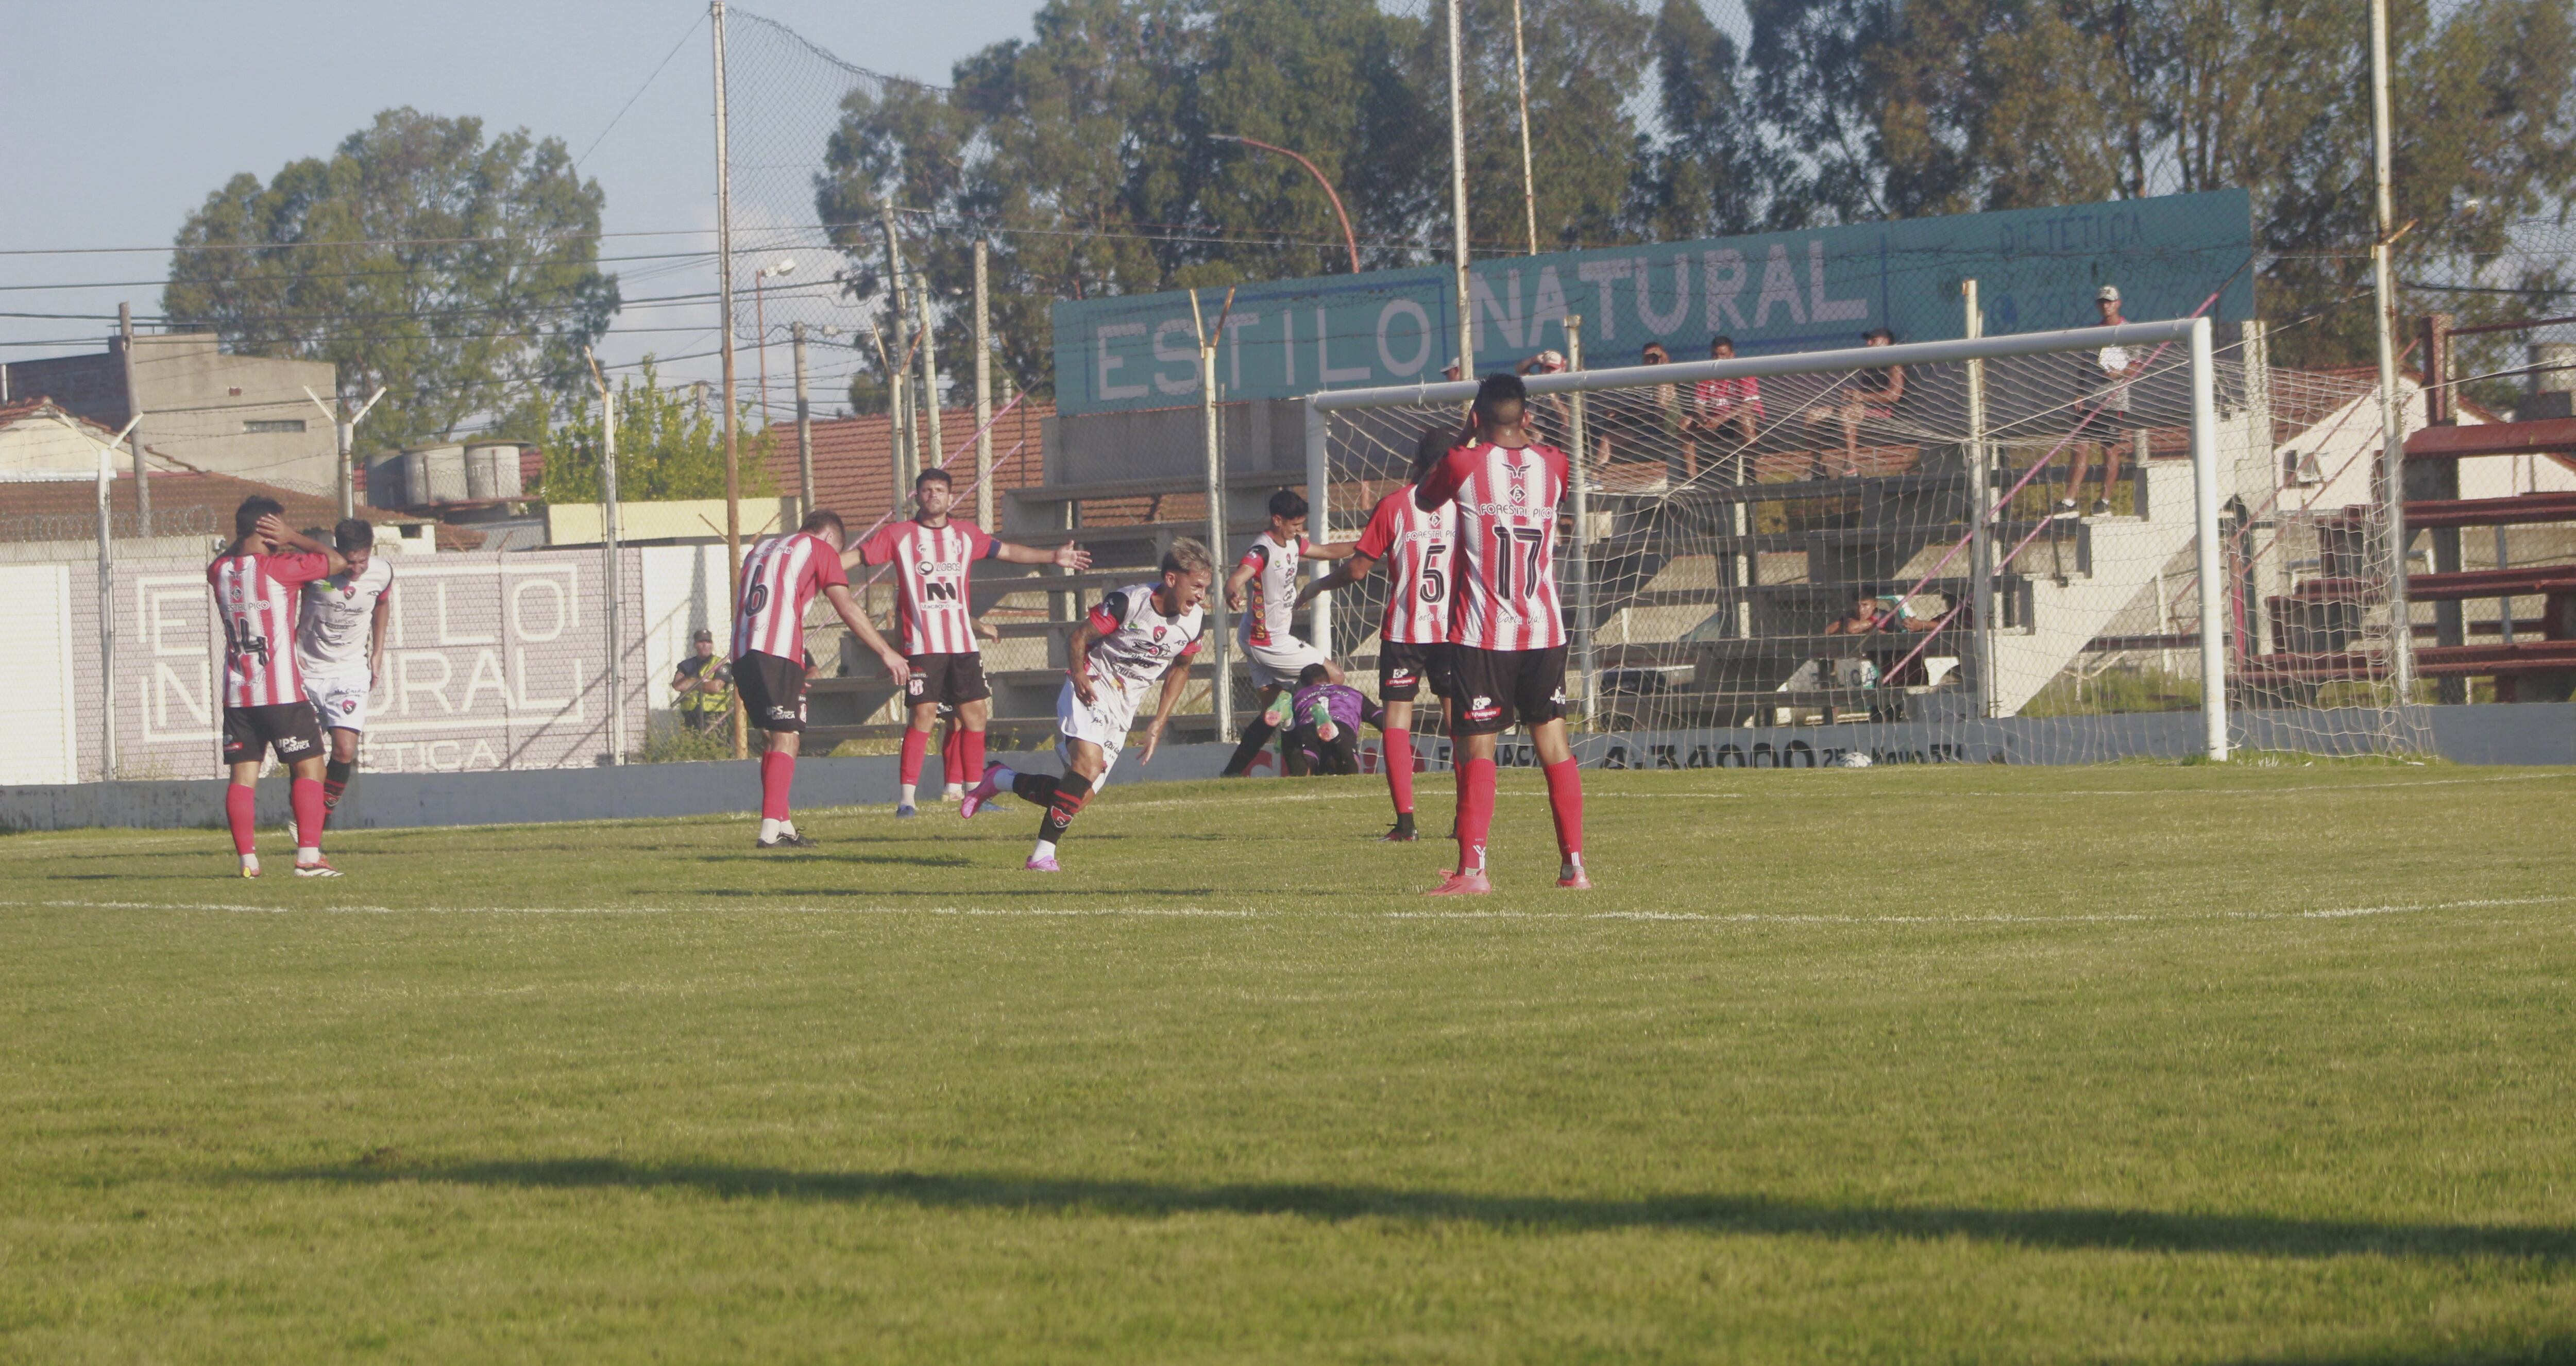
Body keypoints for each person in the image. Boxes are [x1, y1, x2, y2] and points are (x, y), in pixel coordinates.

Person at [1413, 373, 1588, 893]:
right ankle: (1572, 867)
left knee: (1477, 750)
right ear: (1527, 415)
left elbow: (1425, 499)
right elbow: (1538, 460)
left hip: (1483, 633)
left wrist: (1467, 438)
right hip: (1544, 628)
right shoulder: (1556, 463)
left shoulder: (1462, 463)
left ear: (1475, 416)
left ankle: (1472, 871)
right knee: (1554, 743)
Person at [959, 539, 1215, 871]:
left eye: (1205, 589)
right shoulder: (1128, 603)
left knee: (1075, 798)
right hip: (1092, 687)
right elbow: (1079, 637)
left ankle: (1000, 779)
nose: (1201, 596)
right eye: (1196, 586)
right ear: (1170, 579)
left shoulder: (1194, 622)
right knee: (1088, 765)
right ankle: (1042, 856)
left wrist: (1158, 722)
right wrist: (1079, 674)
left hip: (1123, 708)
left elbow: (1181, 669)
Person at [850, 467, 1090, 817]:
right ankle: (907, 800)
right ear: (917, 497)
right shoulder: (898, 534)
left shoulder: (966, 534)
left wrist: (1052, 557)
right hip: (923, 645)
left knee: (975, 715)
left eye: (940, 490)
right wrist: (820, 569)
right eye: (927, 490)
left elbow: (1007, 550)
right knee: (923, 715)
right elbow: (859, 558)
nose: (934, 495)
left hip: (962, 643)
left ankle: (974, 793)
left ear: (951, 498)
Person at [1295, 421, 1458, 840]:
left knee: (1399, 724)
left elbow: (1357, 568)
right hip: (1455, 629)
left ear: (1416, 463)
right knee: (1462, 726)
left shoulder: (1395, 505)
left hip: (1406, 630)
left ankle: (1406, 823)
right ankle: (1466, 819)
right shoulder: (1467, 504)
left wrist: (1317, 585)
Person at [732, 509, 912, 849]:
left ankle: (782, 824)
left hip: (743, 649)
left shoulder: (761, 548)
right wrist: (885, 651)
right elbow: (845, 605)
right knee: (785, 737)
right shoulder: (819, 549)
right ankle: (769, 830)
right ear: (830, 538)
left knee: (778, 738)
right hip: (777, 649)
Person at [208, 497, 347, 878]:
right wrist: (295, 537)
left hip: (238, 695)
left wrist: (247, 537)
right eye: (277, 528)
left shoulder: (219, 570)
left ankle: (248, 861)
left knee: (243, 779)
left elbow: (229, 559)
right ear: (267, 529)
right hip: (282, 693)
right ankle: (308, 857)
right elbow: (336, 562)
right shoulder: (278, 569)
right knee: (310, 770)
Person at [1218, 490, 1348, 777]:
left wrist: (1369, 544)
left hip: (1254, 638)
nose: (1299, 530)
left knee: (1280, 718)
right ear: (1277, 520)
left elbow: (1327, 551)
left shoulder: (1295, 543)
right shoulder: (1262, 550)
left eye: (1301, 524)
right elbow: (1239, 575)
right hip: (1269, 641)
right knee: (1335, 677)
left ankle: (1234, 775)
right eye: (1294, 525)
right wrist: (1232, 590)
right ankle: (1332, 752)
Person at [293, 518, 393, 838]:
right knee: (306, 756)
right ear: (338, 552)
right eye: (350, 561)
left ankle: (318, 819)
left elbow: (382, 605)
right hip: (308, 671)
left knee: (345, 750)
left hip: (350, 671)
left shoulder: (382, 572)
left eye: (363, 560)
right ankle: (304, 815)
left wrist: (377, 652)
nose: (357, 569)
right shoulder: (316, 572)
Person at [2064, 284, 2143, 519]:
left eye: (2110, 301)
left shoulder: (2130, 331)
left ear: (2118, 303)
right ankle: (2069, 502)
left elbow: (2137, 366)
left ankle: (2104, 502)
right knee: (2079, 449)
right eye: (2102, 302)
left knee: (2110, 452)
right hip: (2089, 400)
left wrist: (2120, 374)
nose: (2106, 305)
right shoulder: (2092, 332)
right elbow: (2084, 366)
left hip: (2114, 402)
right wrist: (2079, 393)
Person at [1801, 327, 1904, 479]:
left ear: (1886, 341)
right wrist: (1851, 394)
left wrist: (1862, 397)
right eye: (1868, 340)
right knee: (1812, 415)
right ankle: (1817, 467)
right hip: (1859, 408)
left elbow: (1894, 395)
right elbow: (1862, 394)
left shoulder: (1894, 363)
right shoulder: (1868, 364)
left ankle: (1851, 466)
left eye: (1873, 339)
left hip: (1881, 410)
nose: (1869, 343)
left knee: (1847, 413)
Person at [1260, 662, 1384, 777]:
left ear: (1304, 685)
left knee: (1303, 772)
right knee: (1349, 770)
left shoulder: (1301, 695)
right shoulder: (1353, 694)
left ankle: (1287, 725)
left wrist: (1287, 740)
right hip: (1341, 724)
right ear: (1330, 679)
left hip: (1308, 726)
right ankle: (1334, 733)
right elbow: (1380, 720)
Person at [1686, 335, 1763, 482]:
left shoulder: (1743, 372)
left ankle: (1750, 473)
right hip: (1715, 426)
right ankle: (1692, 477)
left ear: (1732, 356)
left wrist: (1722, 418)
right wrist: (1703, 417)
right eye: (1715, 355)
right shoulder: (1706, 374)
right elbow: (1699, 405)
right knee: (1685, 423)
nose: (1718, 359)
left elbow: (1749, 406)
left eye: (1723, 355)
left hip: (1738, 424)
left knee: (1747, 420)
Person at [670, 629, 732, 732]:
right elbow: (678, 685)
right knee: (692, 745)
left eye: (708, 642)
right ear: (695, 645)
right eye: (701, 642)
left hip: (714, 714)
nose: (705, 645)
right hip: (690, 713)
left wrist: (690, 683)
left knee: (715, 744)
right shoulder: (686, 665)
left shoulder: (721, 664)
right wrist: (702, 682)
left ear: (712, 645)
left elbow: (716, 687)